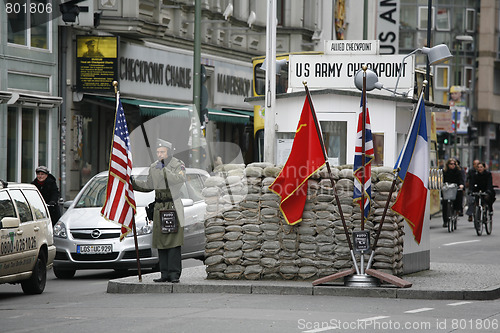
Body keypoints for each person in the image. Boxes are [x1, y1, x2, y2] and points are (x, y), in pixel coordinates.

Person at [131, 139, 186, 283]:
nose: (159, 154)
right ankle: (164, 273)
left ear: (169, 153)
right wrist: (133, 183)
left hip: (172, 206)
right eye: (158, 152)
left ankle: (174, 274)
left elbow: (179, 179)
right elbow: (148, 185)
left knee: (173, 242)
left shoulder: (178, 165)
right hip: (159, 207)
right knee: (161, 242)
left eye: (163, 152)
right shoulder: (153, 166)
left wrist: (164, 169)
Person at [441, 158, 464, 227]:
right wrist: (441, 184)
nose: (453, 165)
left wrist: (461, 185)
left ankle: (457, 210)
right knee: (444, 203)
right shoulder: (444, 171)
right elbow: (442, 180)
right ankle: (445, 221)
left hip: (455, 188)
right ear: (448, 165)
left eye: (454, 164)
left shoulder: (458, 171)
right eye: (451, 164)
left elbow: (460, 180)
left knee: (459, 195)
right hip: (447, 188)